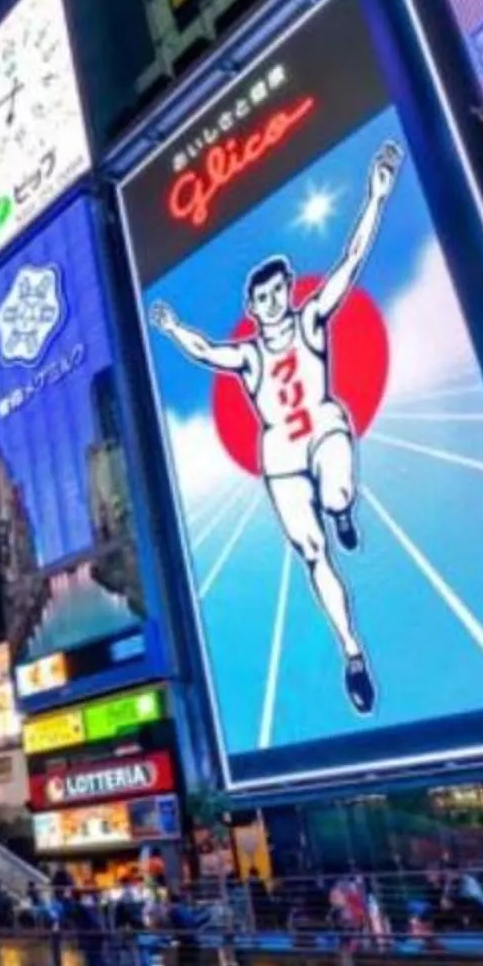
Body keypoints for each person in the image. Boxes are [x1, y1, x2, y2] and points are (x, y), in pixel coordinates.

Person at [147, 140, 403, 715]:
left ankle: (341, 509)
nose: (270, 302)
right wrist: (170, 328)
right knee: (313, 552)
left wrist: (376, 196)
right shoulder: (248, 354)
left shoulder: (310, 319)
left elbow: (350, 261)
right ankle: (352, 652)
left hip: (323, 426)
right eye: (260, 298)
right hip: (281, 453)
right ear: (254, 306)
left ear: (287, 290)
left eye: (276, 292)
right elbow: (206, 350)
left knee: (336, 489)